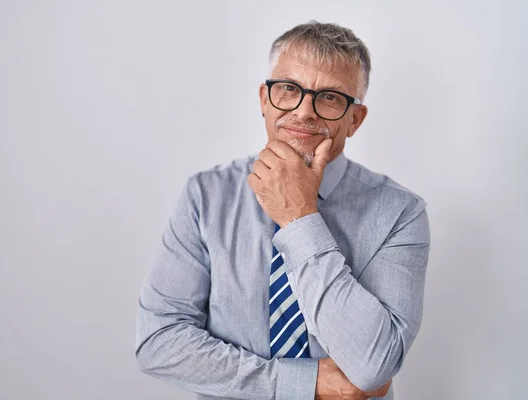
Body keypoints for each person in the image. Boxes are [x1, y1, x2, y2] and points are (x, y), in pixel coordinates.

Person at [135, 21, 430, 400]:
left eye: (329, 97)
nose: (304, 112)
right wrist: (304, 383)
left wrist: (299, 217)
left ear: (354, 119)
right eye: (289, 89)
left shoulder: (400, 213)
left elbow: (373, 365)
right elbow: (159, 342)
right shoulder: (205, 196)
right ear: (264, 99)